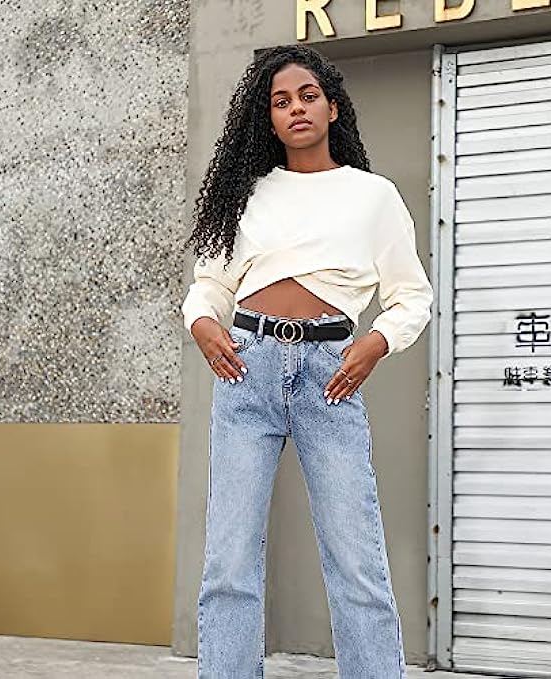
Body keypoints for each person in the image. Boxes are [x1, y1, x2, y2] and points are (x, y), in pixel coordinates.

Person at [181, 44, 433, 679]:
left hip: (330, 375)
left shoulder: (373, 197)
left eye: (307, 96)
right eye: (280, 101)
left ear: (332, 107)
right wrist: (204, 323)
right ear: (268, 119)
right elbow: (210, 285)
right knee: (230, 561)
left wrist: (375, 343)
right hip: (247, 369)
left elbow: (411, 296)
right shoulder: (246, 195)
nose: (295, 108)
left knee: (356, 559)